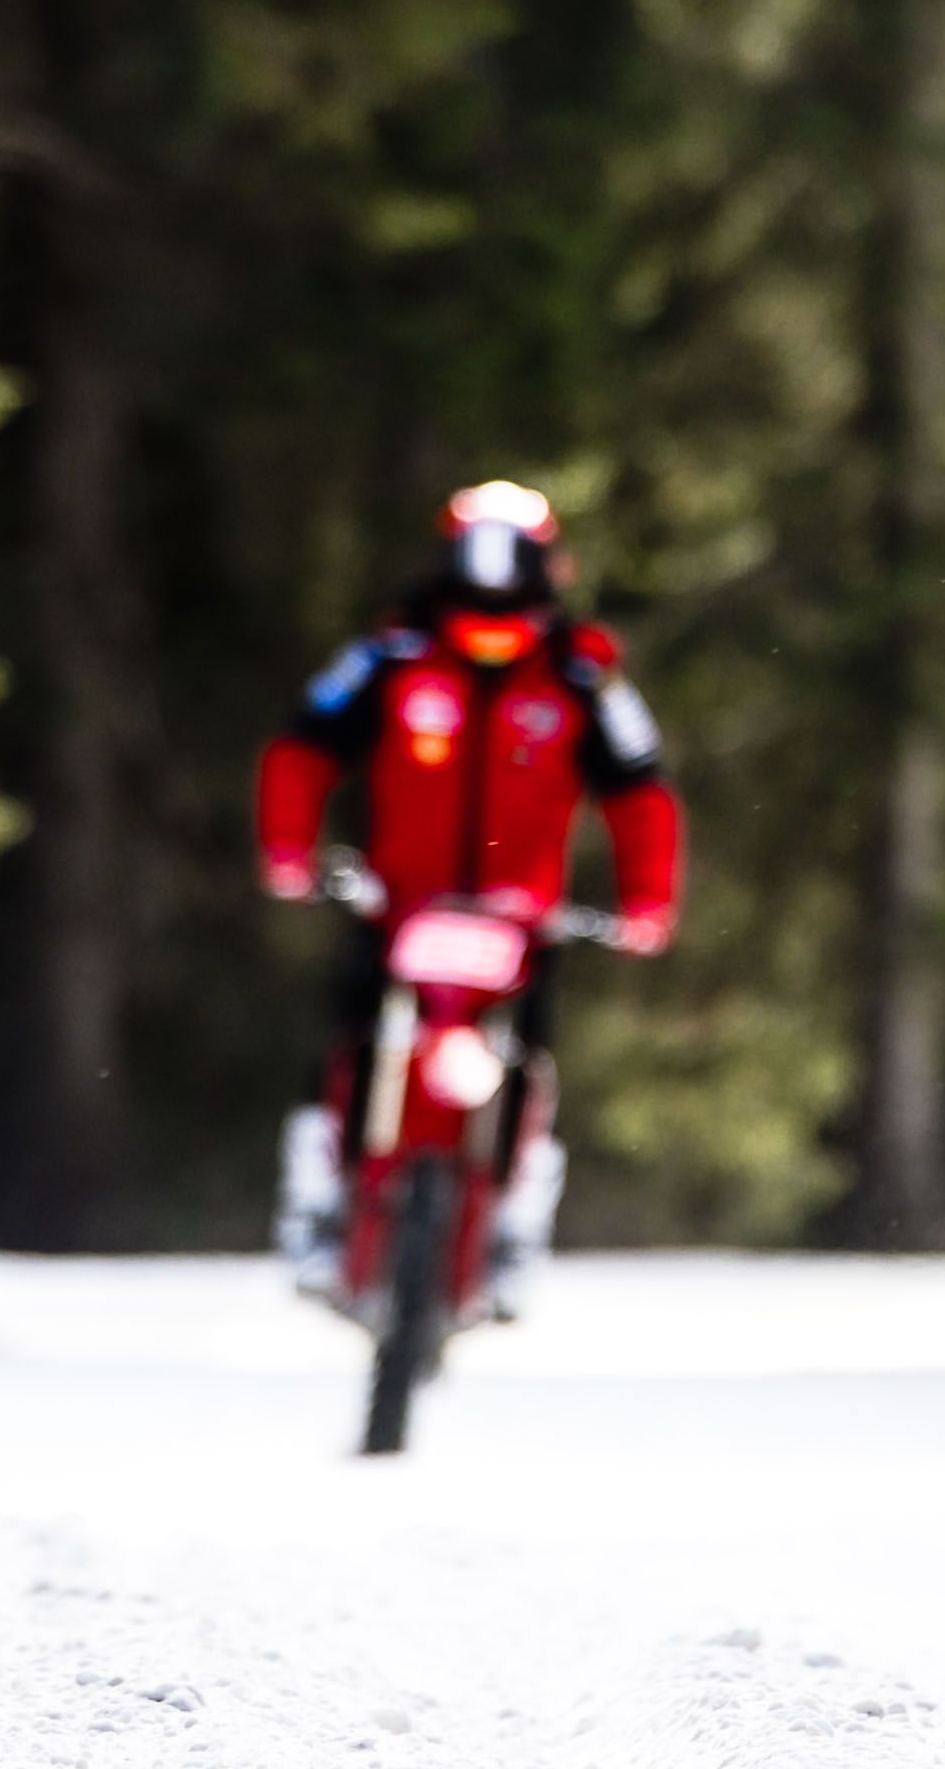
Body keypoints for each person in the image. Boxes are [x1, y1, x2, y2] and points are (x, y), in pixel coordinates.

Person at [254, 479, 682, 1296]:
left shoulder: (583, 674)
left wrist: (648, 903)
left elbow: (641, 792)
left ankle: (516, 1226)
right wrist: (288, 850)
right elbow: (303, 747)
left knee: (529, 1069)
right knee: (347, 1053)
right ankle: (315, 1206)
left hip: (523, 925)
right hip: (396, 910)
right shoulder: (391, 655)